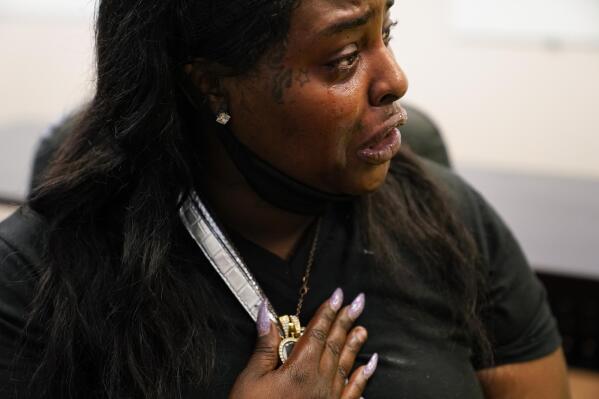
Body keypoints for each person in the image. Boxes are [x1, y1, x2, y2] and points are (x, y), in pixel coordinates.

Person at [0, 0, 570, 398]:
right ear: (211, 84)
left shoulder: (453, 218)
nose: (395, 79)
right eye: (344, 58)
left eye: (386, 33)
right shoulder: (37, 281)